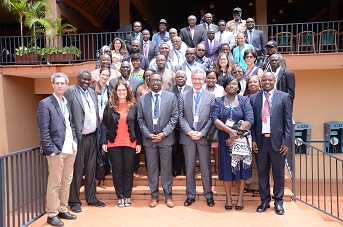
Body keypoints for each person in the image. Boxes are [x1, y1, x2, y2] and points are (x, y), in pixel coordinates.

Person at [37, 73, 78, 226]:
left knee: (66, 181)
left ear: (66, 85)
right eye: (57, 83)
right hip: (56, 150)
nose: (60, 85)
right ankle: (52, 213)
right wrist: (50, 149)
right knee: (55, 183)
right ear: (52, 84)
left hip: (70, 148)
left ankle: (62, 209)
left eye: (63, 83)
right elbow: (43, 130)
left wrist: (74, 141)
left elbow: (70, 124)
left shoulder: (66, 102)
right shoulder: (45, 103)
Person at [250, 72, 292, 215]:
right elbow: (253, 122)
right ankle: (264, 201)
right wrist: (254, 139)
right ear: (261, 82)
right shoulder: (254, 98)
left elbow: (288, 122)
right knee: (262, 172)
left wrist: (286, 142)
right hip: (261, 142)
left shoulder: (284, 97)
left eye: (270, 79)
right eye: (264, 80)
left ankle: (278, 202)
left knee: (278, 173)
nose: (267, 82)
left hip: (278, 143)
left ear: (274, 81)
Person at [65, 69, 105, 213]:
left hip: (92, 137)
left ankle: (91, 198)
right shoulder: (70, 91)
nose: (87, 82)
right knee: (77, 170)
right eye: (84, 79)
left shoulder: (92, 93)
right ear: (78, 78)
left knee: (91, 168)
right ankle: (74, 200)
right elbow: (66, 113)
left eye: (89, 80)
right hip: (79, 138)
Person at [211, 76, 254, 211]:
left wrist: (234, 135)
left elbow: (250, 120)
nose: (231, 86)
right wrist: (230, 132)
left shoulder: (244, 100)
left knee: (240, 169)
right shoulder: (218, 101)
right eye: (229, 83)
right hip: (225, 140)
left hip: (240, 140)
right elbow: (215, 119)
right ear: (225, 86)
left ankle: (240, 197)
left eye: (234, 83)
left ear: (238, 86)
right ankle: (228, 197)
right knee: (227, 169)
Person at [137, 73, 178, 208]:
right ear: (148, 82)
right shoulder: (143, 99)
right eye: (152, 80)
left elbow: (174, 117)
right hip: (150, 140)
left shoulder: (171, 97)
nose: (155, 82)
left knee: (166, 169)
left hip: (165, 139)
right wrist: (148, 134)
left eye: (158, 80)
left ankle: (168, 196)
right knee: (152, 169)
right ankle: (154, 196)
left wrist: (164, 133)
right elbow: (140, 119)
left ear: (162, 82)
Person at [101, 81, 142, 208]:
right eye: (119, 90)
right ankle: (120, 196)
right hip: (114, 143)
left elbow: (137, 125)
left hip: (130, 142)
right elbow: (104, 125)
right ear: (115, 92)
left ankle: (127, 195)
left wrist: (139, 143)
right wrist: (103, 141)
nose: (121, 92)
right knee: (117, 171)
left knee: (128, 170)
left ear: (128, 91)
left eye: (124, 90)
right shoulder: (110, 106)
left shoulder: (133, 105)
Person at [179, 68, 215, 207]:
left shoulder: (210, 96)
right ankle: (190, 195)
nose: (197, 81)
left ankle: (208, 195)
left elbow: (212, 117)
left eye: (200, 79)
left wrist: (203, 132)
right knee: (189, 167)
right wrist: (189, 131)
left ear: (204, 79)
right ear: (191, 79)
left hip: (203, 137)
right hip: (188, 137)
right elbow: (180, 117)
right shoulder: (183, 96)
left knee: (205, 167)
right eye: (195, 79)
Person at [167, 70, 192, 177]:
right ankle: (176, 168)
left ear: (186, 79)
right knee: (175, 148)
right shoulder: (169, 91)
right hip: (174, 126)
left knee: (186, 148)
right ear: (175, 79)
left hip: (188, 124)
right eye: (178, 77)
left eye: (182, 77)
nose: (180, 78)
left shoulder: (191, 90)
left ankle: (186, 168)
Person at [203, 69, 224, 174]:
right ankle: (204, 168)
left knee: (216, 146)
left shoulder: (221, 89)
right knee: (203, 146)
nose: (211, 80)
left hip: (217, 121)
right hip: (203, 121)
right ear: (205, 78)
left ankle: (217, 167)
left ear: (217, 79)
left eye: (213, 78)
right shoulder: (201, 88)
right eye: (209, 78)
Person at [243, 75, 261, 192]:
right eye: (250, 82)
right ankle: (245, 185)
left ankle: (257, 186)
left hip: (259, 133)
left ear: (259, 84)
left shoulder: (263, 97)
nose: (253, 84)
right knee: (246, 159)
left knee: (258, 160)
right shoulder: (244, 98)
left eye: (255, 82)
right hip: (245, 133)